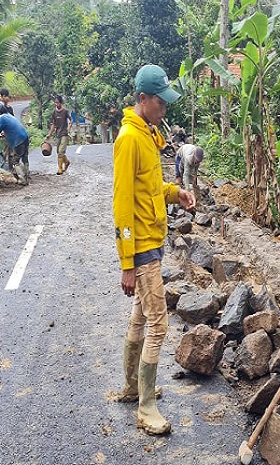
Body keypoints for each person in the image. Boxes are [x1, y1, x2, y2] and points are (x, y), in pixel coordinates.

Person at [111, 64, 195, 436]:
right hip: (141, 246)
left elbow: (148, 187)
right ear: (143, 99)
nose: (165, 109)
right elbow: (122, 203)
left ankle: (133, 388)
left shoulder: (147, 134)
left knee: (140, 317)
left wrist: (175, 192)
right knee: (159, 323)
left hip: (151, 240)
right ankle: (146, 408)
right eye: (160, 102)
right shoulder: (129, 139)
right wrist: (127, 262)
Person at [0, 101, 30, 185]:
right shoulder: (9, 115)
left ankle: (22, 179)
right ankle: (27, 175)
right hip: (25, 137)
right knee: (24, 157)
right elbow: (11, 128)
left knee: (15, 161)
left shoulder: (2, 118)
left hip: (18, 140)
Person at [45, 95, 72, 175]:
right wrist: (49, 134)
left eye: (58, 102)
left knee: (61, 152)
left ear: (61, 103)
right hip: (58, 134)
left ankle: (60, 169)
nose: (56, 104)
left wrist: (69, 127)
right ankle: (66, 162)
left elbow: (71, 120)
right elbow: (53, 124)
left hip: (65, 134)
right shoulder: (54, 112)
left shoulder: (65, 111)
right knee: (58, 152)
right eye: (55, 102)